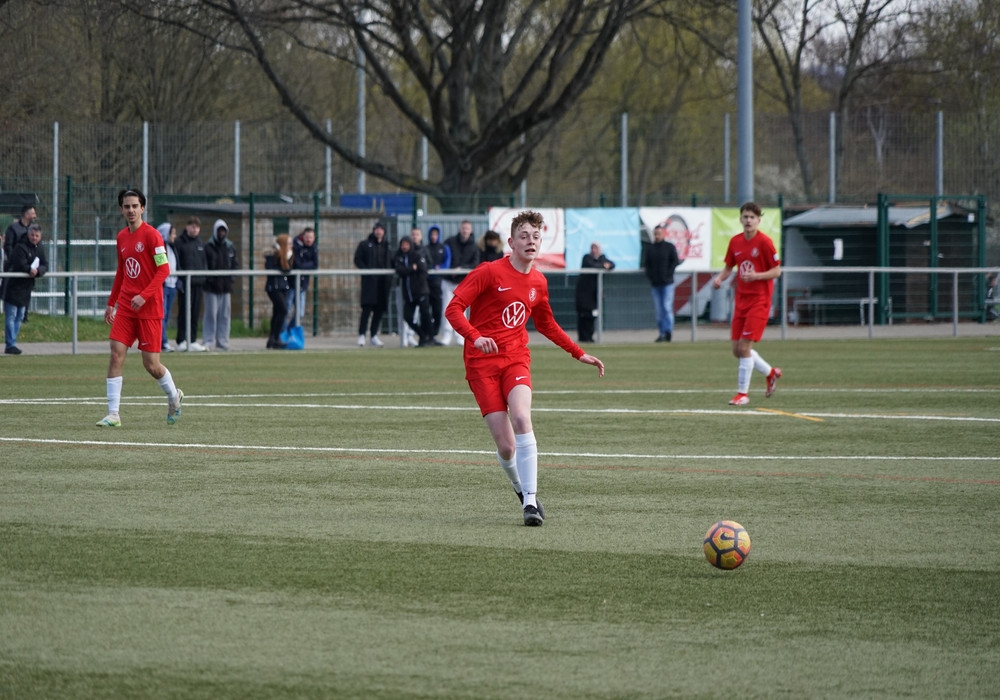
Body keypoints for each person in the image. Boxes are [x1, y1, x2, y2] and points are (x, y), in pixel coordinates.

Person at [445, 210, 605, 526]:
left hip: (516, 359)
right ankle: (520, 488)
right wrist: (475, 337)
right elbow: (454, 309)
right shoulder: (489, 272)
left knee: (521, 416)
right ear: (511, 242)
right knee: (506, 448)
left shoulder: (538, 282)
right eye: (524, 236)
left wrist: (578, 353)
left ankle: (530, 503)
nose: (531, 241)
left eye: (536, 236)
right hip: (480, 365)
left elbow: (546, 324)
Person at [97, 189, 183, 427]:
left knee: (151, 365)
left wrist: (144, 296)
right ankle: (113, 414)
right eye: (127, 206)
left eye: (135, 206)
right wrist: (111, 302)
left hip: (149, 308)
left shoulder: (152, 236)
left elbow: (163, 270)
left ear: (142, 208)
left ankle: (174, 397)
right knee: (115, 354)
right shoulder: (121, 237)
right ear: (121, 209)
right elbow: (122, 271)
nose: (131, 210)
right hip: (126, 307)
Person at [711, 201, 783, 406]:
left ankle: (742, 394)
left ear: (758, 220)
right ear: (741, 219)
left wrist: (756, 276)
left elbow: (777, 271)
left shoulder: (765, 242)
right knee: (737, 350)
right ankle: (770, 373)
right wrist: (720, 279)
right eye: (745, 217)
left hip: (759, 301)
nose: (748, 220)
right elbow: (729, 267)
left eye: (752, 217)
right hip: (741, 301)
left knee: (744, 347)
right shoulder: (735, 242)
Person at [3, 223, 47, 355]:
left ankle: (12, 342)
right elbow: (19, 263)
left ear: (40, 236)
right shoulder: (20, 247)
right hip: (13, 286)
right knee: (11, 315)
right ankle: (10, 344)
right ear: (28, 235)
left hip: (26, 288)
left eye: (37, 236)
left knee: (20, 315)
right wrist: (29, 270)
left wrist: (38, 271)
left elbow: (45, 264)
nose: (34, 238)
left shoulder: (40, 248)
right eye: (32, 235)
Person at [439, 219, 480, 345]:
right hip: (448, 281)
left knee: (462, 311)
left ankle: (461, 337)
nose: (465, 231)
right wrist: (449, 269)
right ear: (459, 229)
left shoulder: (474, 246)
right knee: (446, 309)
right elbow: (442, 257)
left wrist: (460, 269)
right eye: (463, 228)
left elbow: (475, 263)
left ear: (470, 230)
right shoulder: (450, 242)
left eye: (467, 228)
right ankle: (446, 335)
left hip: (463, 283)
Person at [354, 221, 393, 347]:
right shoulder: (365, 244)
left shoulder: (387, 246)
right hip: (370, 283)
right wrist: (367, 271)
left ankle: (374, 335)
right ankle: (361, 335)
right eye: (377, 229)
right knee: (366, 310)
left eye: (381, 229)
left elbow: (392, 261)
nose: (379, 231)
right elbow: (357, 259)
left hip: (383, 284)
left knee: (379, 311)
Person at [202, 219, 239, 351]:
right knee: (210, 315)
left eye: (224, 231)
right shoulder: (208, 246)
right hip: (211, 288)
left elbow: (234, 264)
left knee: (225, 315)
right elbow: (205, 264)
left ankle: (222, 341)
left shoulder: (230, 247)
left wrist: (231, 279)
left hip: (225, 287)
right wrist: (209, 280)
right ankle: (208, 340)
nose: (222, 233)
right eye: (219, 231)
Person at [394, 235, 436, 347]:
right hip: (408, 294)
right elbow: (400, 271)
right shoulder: (399, 257)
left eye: (406, 244)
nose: (404, 247)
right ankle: (422, 335)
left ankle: (430, 338)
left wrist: (410, 273)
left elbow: (423, 271)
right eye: (403, 244)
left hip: (421, 292)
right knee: (407, 316)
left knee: (425, 315)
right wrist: (411, 269)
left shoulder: (417, 256)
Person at [173, 216, 207, 352]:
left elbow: (204, 262)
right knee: (184, 312)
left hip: (198, 284)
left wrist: (203, 277)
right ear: (187, 227)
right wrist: (181, 278)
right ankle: (181, 340)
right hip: (185, 284)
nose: (195, 229)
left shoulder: (200, 243)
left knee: (195, 313)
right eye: (192, 226)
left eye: (197, 227)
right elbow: (177, 262)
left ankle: (192, 340)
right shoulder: (180, 242)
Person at [643, 223, 680, 342]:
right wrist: (651, 277)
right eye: (656, 233)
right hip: (655, 284)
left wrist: (668, 274)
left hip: (667, 283)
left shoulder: (669, 247)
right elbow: (646, 265)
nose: (657, 235)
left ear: (663, 234)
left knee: (666, 307)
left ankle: (668, 331)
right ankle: (662, 333)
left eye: (659, 233)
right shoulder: (650, 249)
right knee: (659, 311)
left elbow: (675, 261)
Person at [574, 242, 615, 343]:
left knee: (592, 316)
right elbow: (592, 265)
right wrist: (603, 266)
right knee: (583, 315)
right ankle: (583, 337)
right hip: (584, 293)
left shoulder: (602, 258)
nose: (594, 250)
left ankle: (589, 336)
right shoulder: (586, 258)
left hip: (594, 294)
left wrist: (607, 265)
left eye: (596, 248)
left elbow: (611, 264)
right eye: (592, 248)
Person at [286, 226, 318, 332]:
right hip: (291, 284)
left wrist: (304, 266)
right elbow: (297, 264)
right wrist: (307, 265)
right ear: (303, 237)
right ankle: (281, 333)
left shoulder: (314, 248)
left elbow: (315, 265)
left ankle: (289, 331)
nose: (309, 240)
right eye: (307, 237)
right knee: (286, 311)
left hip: (302, 285)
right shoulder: (295, 246)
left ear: (314, 238)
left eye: (311, 237)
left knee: (300, 313)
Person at [2, 204, 37, 298]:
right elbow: (8, 246)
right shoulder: (13, 228)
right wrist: (16, 261)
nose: (35, 216)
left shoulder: (33, 230)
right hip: (14, 268)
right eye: (33, 213)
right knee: (11, 296)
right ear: (26, 215)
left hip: (27, 268)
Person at [264, 234, 292, 349]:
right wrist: (283, 266)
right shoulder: (273, 255)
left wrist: (288, 259)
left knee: (277, 312)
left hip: (283, 287)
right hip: (274, 287)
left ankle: (272, 339)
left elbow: (289, 269)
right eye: (288, 244)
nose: (290, 246)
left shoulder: (288, 255)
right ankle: (275, 337)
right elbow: (271, 267)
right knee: (283, 310)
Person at [425, 224, 449, 340]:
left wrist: (438, 269)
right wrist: (432, 268)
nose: (434, 236)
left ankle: (434, 333)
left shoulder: (444, 248)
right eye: (432, 234)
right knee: (426, 310)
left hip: (439, 283)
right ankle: (427, 334)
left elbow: (446, 263)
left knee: (438, 310)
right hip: (426, 283)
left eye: (436, 234)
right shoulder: (426, 248)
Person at [156, 223, 179, 352]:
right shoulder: (160, 248)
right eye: (172, 233)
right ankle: (162, 342)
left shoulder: (172, 247)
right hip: (164, 286)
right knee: (162, 315)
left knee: (167, 315)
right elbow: (161, 267)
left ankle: (162, 340)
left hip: (172, 285)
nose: (174, 236)